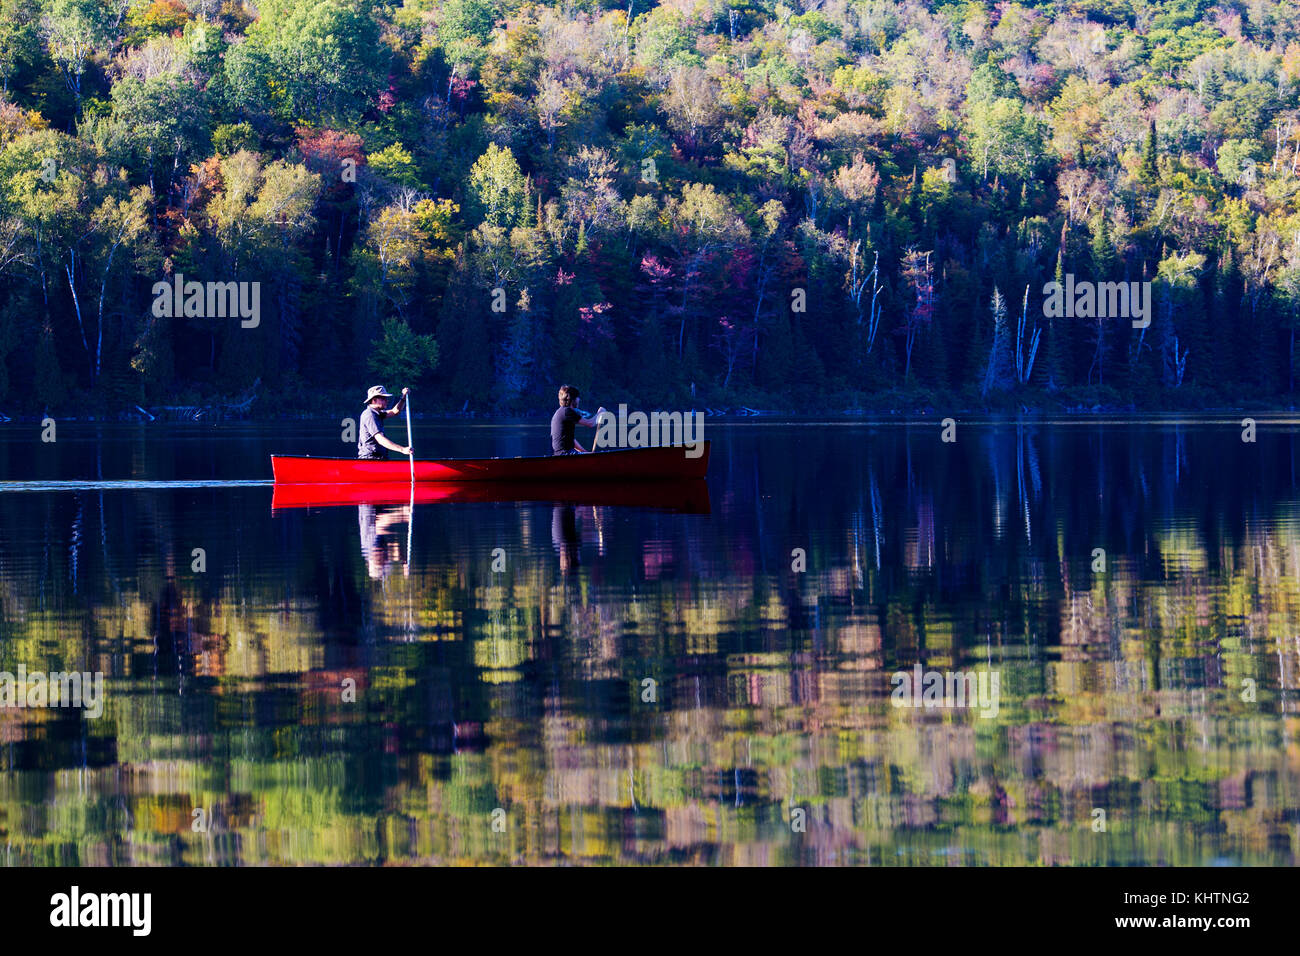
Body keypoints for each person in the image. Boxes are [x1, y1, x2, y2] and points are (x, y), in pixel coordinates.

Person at [358, 385, 411, 459]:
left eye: (386, 398)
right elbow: (380, 439)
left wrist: (403, 397)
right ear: (374, 400)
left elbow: (395, 411)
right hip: (370, 459)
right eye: (383, 398)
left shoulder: (378, 413)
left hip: (379, 457)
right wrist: (402, 449)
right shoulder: (370, 415)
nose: (386, 400)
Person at [551, 384, 603, 455]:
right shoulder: (567, 412)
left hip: (562, 454)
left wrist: (585, 452)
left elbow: (570, 440)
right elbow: (591, 423)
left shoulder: (561, 412)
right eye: (577, 397)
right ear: (572, 399)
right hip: (566, 454)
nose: (579, 399)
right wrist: (600, 413)